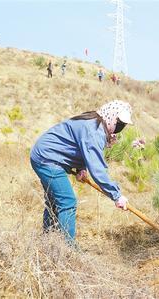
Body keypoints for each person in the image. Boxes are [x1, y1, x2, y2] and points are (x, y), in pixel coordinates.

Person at [30, 100, 133, 245]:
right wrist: (116, 195)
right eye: (119, 122)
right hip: (47, 158)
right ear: (111, 116)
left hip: (44, 154)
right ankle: (68, 250)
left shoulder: (95, 123)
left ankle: (48, 242)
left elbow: (77, 145)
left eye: (124, 124)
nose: (121, 126)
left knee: (54, 201)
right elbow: (97, 169)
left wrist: (80, 168)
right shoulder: (94, 130)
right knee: (67, 201)